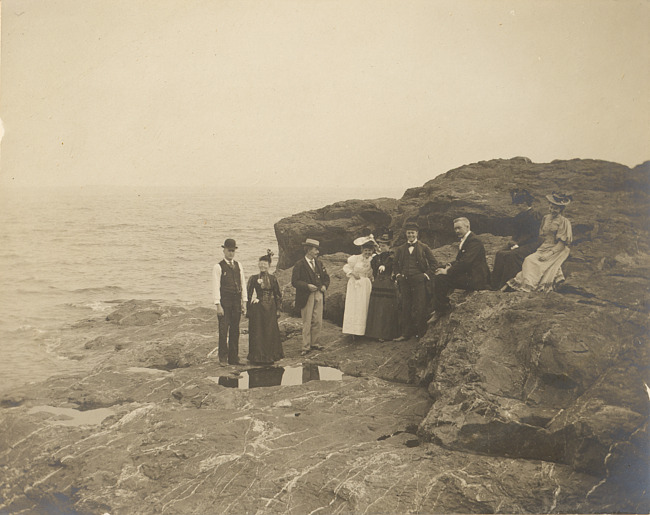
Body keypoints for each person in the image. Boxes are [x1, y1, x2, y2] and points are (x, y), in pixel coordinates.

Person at [506, 192, 573, 292]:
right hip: (543, 246)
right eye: (551, 207)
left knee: (536, 262)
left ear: (561, 209)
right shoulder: (546, 218)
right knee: (529, 259)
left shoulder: (564, 222)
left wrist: (548, 254)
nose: (552, 210)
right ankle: (528, 284)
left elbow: (562, 244)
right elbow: (542, 236)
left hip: (557, 249)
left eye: (555, 208)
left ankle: (529, 286)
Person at [429, 217, 490, 322]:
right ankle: (439, 305)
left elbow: (465, 263)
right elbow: (460, 260)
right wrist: (448, 265)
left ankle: (442, 308)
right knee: (439, 269)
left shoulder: (474, 241)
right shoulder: (467, 239)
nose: (457, 231)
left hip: (476, 279)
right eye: (455, 229)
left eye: (459, 228)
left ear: (467, 227)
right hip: (469, 275)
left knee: (441, 278)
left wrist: (447, 271)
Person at [394, 222, 439, 341]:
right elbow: (395, 265)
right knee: (405, 307)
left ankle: (421, 334)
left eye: (412, 232)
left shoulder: (424, 247)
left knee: (420, 307)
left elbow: (434, 264)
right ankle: (405, 334)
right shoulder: (400, 249)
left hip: (419, 281)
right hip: (404, 282)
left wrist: (425, 275)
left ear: (417, 233)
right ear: (406, 234)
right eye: (408, 233)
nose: (410, 235)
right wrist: (398, 275)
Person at [490, 189, 543, 290]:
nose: (517, 207)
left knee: (511, 256)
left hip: (532, 243)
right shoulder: (519, 216)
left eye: (519, 205)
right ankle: (494, 284)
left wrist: (518, 244)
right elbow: (516, 233)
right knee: (500, 253)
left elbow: (532, 235)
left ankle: (507, 285)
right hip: (520, 242)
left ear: (524, 204)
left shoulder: (535, 215)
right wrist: (513, 242)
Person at [291, 238, 330, 356]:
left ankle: (315, 343)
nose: (317, 252)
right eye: (315, 249)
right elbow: (294, 282)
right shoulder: (299, 264)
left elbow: (326, 277)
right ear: (308, 250)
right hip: (306, 295)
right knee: (307, 321)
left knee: (317, 320)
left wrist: (324, 286)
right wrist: (307, 286)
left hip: (319, 293)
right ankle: (306, 346)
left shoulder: (319, 263)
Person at [212, 238, 247, 365]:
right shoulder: (218, 267)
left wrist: (244, 302)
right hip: (225, 302)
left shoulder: (239, 265)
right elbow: (216, 286)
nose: (231, 253)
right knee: (223, 330)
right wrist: (218, 305)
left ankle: (234, 357)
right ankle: (223, 358)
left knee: (235, 330)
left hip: (236, 302)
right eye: (229, 250)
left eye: (233, 251)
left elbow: (242, 283)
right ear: (224, 250)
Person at [246, 250, 283, 365]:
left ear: (269, 266)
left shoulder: (273, 279)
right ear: (258, 264)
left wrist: (278, 309)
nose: (262, 266)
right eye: (261, 263)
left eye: (265, 264)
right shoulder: (253, 278)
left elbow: (277, 294)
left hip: (270, 308)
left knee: (269, 331)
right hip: (258, 309)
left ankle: (271, 355)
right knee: (258, 332)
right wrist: (248, 309)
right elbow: (248, 294)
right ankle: (257, 356)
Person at [365, 229, 399, 341]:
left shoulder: (392, 255)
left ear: (388, 246)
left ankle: (384, 334)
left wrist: (384, 264)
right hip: (378, 284)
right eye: (380, 245)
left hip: (387, 284)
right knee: (376, 307)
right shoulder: (376, 257)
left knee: (385, 308)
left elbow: (392, 262)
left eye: (384, 245)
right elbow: (374, 265)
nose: (381, 246)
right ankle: (373, 333)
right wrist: (379, 261)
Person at [342, 233, 376, 339]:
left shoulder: (373, 259)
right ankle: (352, 331)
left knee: (364, 306)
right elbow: (346, 267)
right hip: (355, 284)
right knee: (354, 306)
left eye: (369, 250)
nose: (367, 252)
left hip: (366, 284)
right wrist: (353, 273)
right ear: (362, 250)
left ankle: (363, 331)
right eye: (366, 250)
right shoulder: (355, 259)